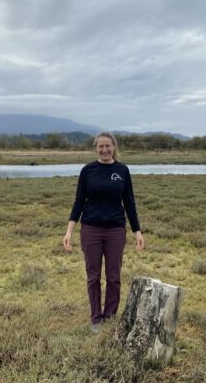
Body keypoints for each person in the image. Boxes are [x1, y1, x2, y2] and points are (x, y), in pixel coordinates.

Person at [62, 131, 145, 333]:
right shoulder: (88, 170)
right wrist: (69, 231)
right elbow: (79, 202)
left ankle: (110, 317)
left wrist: (137, 231)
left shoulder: (122, 170)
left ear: (114, 147)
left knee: (114, 276)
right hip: (91, 229)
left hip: (116, 230)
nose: (105, 149)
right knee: (93, 276)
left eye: (108, 146)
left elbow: (129, 202)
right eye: (101, 146)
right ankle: (96, 319)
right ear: (96, 148)